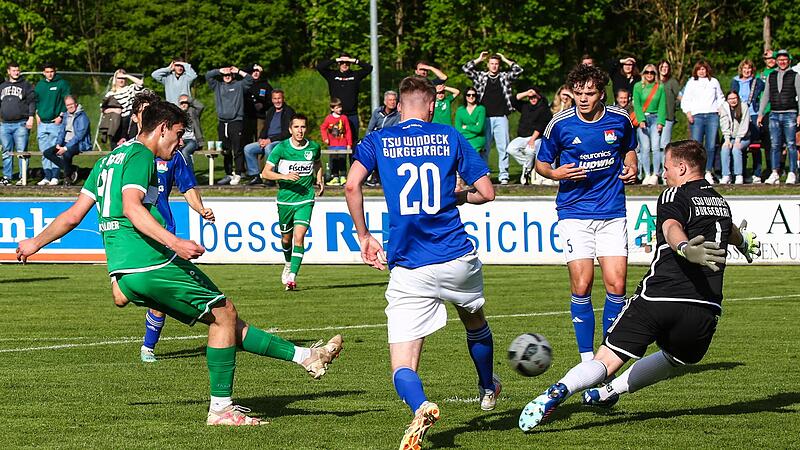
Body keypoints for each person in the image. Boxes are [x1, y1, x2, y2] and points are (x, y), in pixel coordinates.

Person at [15, 101, 343, 426]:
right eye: (177, 134)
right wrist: (175, 242)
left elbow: (74, 216)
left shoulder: (106, 162)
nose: (179, 142)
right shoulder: (141, 155)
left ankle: (305, 357)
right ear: (161, 129)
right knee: (224, 313)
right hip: (151, 262)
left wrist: (34, 243)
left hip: (125, 272)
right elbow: (131, 207)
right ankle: (222, 409)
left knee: (224, 321)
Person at [518, 139, 761, 432]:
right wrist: (745, 242)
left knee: (607, 359)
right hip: (704, 309)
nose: (663, 173)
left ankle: (557, 392)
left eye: (667, 166)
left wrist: (684, 247)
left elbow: (671, 227)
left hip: (659, 297)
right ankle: (608, 393)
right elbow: (730, 231)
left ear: (682, 167)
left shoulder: (673, 193)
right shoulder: (720, 202)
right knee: (674, 359)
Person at [344, 76, 498, 449]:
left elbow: (351, 185)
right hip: (456, 256)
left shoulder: (379, 139)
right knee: (474, 321)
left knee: (402, 365)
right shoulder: (448, 135)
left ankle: (421, 404)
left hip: (410, 265)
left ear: (398, 106)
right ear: (431, 106)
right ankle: (487, 385)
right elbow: (488, 193)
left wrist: (364, 236)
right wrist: (457, 196)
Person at [535, 64, 638, 363]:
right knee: (582, 284)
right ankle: (585, 361)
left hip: (612, 211)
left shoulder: (620, 119)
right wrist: (555, 173)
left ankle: (607, 357)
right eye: (578, 93)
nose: (582, 99)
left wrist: (631, 166)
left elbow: (628, 149)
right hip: (574, 213)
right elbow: (541, 164)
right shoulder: (560, 124)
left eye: (589, 93)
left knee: (617, 285)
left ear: (601, 93)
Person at [133, 94, 216, 363]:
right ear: (137, 118)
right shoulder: (126, 154)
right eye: (145, 112)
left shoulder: (174, 155)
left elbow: (188, 187)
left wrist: (200, 209)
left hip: (163, 228)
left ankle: (148, 346)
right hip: (134, 230)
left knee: (161, 294)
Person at [260, 114, 324, 291]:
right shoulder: (281, 148)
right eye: (296, 127)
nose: (300, 131)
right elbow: (265, 173)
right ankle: (288, 262)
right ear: (290, 129)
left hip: (306, 198)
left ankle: (292, 278)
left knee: (299, 237)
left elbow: (317, 163)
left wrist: (320, 179)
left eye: (303, 127)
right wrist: (284, 176)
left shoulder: (313, 147)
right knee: (286, 239)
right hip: (285, 200)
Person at [462, 52, 524, 184]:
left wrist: (505, 58)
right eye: (492, 64)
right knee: (485, 147)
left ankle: (504, 176)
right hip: (485, 117)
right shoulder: (481, 77)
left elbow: (518, 70)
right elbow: (466, 68)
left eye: (496, 64)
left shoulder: (504, 77)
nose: (494, 66)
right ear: (488, 65)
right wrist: (479, 59)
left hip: (501, 117)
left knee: (504, 147)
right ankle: (485, 173)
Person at [206, 65, 254, 185]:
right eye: (224, 75)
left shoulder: (239, 85)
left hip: (235, 121)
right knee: (225, 150)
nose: (226, 77)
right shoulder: (218, 86)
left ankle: (238, 173)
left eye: (229, 75)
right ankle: (228, 174)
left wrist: (237, 71)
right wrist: (219, 71)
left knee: (237, 149)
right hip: (222, 122)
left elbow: (249, 79)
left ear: (232, 76)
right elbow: (208, 76)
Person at [758, 49, 800, 185]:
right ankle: (775, 172)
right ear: (776, 61)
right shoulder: (772, 75)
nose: (782, 62)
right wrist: (761, 113)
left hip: (790, 113)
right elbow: (766, 95)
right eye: (779, 59)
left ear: (789, 61)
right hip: (774, 114)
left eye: (785, 59)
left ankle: (792, 172)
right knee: (775, 145)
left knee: (791, 144)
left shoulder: (795, 75)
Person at [681, 60, 724, 184]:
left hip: (712, 115)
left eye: (703, 69)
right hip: (697, 116)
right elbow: (686, 99)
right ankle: (696, 172)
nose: (701, 71)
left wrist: (720, 110)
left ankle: (708, 171)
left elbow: (720, 97)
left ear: (707, 70)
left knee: (710, 146)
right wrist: (688, 112)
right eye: (699, 69)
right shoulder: (691, 82)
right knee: (696, 146)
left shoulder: (714, 82)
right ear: (696, 71)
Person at [316, 53, 372, 146]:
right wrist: (335, 60)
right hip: (336, 116)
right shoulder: (332, 75)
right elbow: (320, 67)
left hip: (352, 115)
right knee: (336, 143)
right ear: (339, 63)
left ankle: (352, 161)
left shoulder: (355, 75)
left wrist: (354, 60)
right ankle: (335, 161)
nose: (345, 64)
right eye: (342, 62)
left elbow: (369, 68)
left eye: (347, 63)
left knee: (353, 143)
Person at [243, 90, 295, 185]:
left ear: (283, 99)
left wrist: (270, 140)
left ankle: (271, 177)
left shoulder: (288, 111)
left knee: (269, 148)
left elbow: (287, 133)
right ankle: (255, 175)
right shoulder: (271, 111)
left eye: (279, 98)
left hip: (281, 141)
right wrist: (261, 139)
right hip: (268, 140)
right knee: (248, 149)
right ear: (272, 100)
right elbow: (265, 128)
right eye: (275, 99)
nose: (277, 101)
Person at [34, 63, 71, 186]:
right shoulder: (40, 85)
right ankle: (47, 175)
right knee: (44, 152)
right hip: (42, 124)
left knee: (55, 151)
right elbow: (36, 101)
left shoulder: (62, 83)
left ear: (55, 71)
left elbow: (67, 100)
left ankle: (55, 175)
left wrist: (61, 115)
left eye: (51, 71)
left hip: (55, 123)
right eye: (47, 72)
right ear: (43, 72)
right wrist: (37, 114)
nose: (49, 74)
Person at [41, 95, 91, 185]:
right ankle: (72, 169)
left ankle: (67, 177)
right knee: (47, 153)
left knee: (66, 154)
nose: (70, 106)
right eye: (68, 105)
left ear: (76, 104)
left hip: (79, 143)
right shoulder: (66, 115)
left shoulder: (82, 117)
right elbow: (61, 131)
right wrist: (58, 144)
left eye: (71, 104)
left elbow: (79, 136)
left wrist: (65, 148)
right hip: (65, 142)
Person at [507, 87, 552, 185]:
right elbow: (513, 100)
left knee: (529, 151)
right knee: (510, 149)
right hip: (522, 136)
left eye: (534, 97)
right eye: (530, 97)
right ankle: (528, 166)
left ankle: (526, 172)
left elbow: (541, 125)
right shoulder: (525, 106)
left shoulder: (543, 107)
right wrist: (527, 92)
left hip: (536, 137)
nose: (533, 99)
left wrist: (532, 139)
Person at [0, 61, 36, 185]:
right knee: (6, 151)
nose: (16, 72)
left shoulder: (26, 85)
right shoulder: (2, 86)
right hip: (4, 124)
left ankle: (22, 177)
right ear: (8, 71)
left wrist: (31, 117)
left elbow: (32, 102)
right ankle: (7, 177)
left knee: (21, 151)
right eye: (13, 70)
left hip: (21, 123)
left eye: (17, 70)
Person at [730, 59, 765, 183]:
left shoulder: (757, 82)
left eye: (749, 68)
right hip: (739, 115)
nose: (747, 71)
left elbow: (765, 94)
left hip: (753, 114)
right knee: (740, 144)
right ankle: (742, 173)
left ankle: (757, 173)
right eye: (745, 68)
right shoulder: (735, 81)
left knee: (755, 145)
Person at [632, 63, 666, 185]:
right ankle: (647, 173)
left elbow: (662, 105)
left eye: (652, 72)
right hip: (644, 118)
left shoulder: (660, 87)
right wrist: (640, 119)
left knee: (656, 147)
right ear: (643, 74)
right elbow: (637, 105)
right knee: (645, 148)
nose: (649, 75)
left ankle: (656, 174)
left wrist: (661, 122)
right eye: (647, 72)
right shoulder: (637, 87)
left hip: (656, 117)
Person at [104, 69, 144, 145]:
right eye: (119, 78)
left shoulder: (130, 89)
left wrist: (126, 75)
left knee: (129, 143)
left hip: (129, 122)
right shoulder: (110, 94)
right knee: (115, 145)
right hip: (115, 122)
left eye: (123, 78)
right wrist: (114, 110)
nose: (121, 80)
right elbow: (103, 109)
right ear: (115, 79)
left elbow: (140, 83)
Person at [718, 91, 750, 184]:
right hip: (730, 137)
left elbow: (744, 124)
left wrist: (738, 139)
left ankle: (738, 175)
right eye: (730, 99)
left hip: (743, 137)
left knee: (736, 149)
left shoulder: (744, 107)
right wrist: (726, 139)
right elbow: (724, 124)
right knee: (725, 148)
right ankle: (726, 175)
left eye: (734, 98)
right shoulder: (724, 107)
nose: (733, 101)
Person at [320, 97, 353, 186]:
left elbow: (348, 130)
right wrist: (325, 138)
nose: (339, 109)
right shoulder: (329, 118)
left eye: (340, 107)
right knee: (333, 160)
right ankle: (335, 177)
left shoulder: (344, 118)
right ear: (332, 109)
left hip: (343, 144)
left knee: (342, 160)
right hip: (332, 145)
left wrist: (349, 143)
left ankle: (343, 177)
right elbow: (323, 128)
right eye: (337, 108)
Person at [658, 60, 681, 168]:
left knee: (664, 144)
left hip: (668, 117)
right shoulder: (654, 81)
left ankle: (665, 169)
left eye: (667, 67)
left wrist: (674, 106)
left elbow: (680, 97)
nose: (664, 69)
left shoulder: (672, 82)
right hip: (654, 117)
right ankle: (655, 172)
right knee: (654, 146)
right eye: (662, 67)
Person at [243, 64, 273, 142]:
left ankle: (261, 154)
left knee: (260, 137)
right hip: (248, 116)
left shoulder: (265, 85)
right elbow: (238, 72)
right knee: (247, 138)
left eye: (257, 71)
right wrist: (251, 67)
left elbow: (272, 101)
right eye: (253, 71)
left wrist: (263, 105)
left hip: (260, 116)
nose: (255, 73)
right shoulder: (245, 84)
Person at [455, 87, 487, 156]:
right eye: (468, 95)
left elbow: (479, 129)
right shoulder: (460, 110)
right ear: (465, 96)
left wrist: (465, 127)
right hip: (464, 139)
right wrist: (473, 127)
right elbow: (458, 128)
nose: (471, 97)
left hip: (477, 140)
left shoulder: (481, 109)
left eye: (473, 95)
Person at [177, 94, 205, 172]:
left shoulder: (193, 112)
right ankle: (177, 177)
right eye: (181, 103)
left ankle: (190, 175)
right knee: (175, 154)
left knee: (185, 152)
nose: (184, 104)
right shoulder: (177, 115)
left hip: (193, 140)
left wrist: (189, 99)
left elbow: (201, 106)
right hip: (181, 141)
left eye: (185, 102)